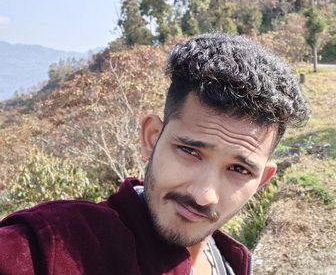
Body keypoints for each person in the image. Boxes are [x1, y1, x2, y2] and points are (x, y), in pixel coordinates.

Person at [0, 33, 310, 275]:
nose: (204, 195)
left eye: (239, 170)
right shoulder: (59, 244)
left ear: (263, 179)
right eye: (190, 151)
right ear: (152, 137)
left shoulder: (231, 261)